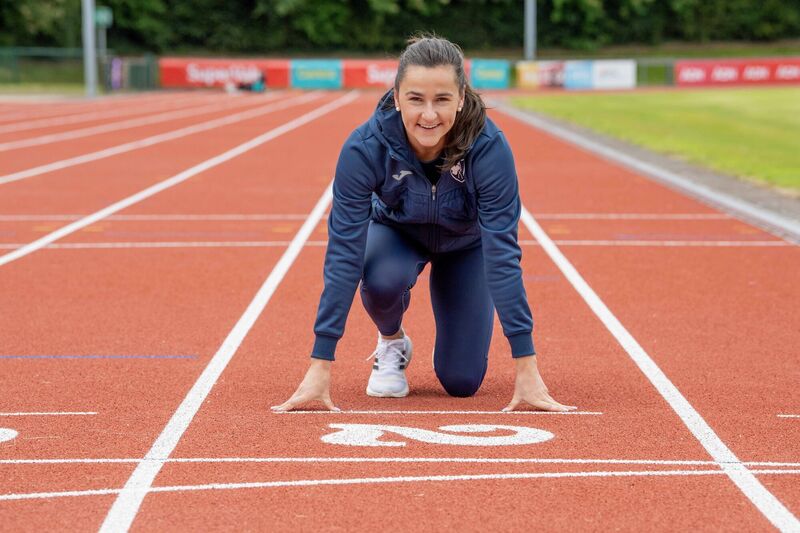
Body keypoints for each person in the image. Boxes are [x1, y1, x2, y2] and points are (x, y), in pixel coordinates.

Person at [272, 35, 574, 413]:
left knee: (461, 383)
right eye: (416, 99)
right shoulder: (364, 148)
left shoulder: (489, 148)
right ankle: (392, 340)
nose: (429, 115)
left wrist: (525, 366)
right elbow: (344, 254)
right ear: (397, 97)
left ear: (461, 98)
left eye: (442, 99)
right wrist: (321, 363)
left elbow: (502, 255)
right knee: (381, 281)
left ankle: (454, 352)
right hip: (397, 233)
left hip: (466, 244)